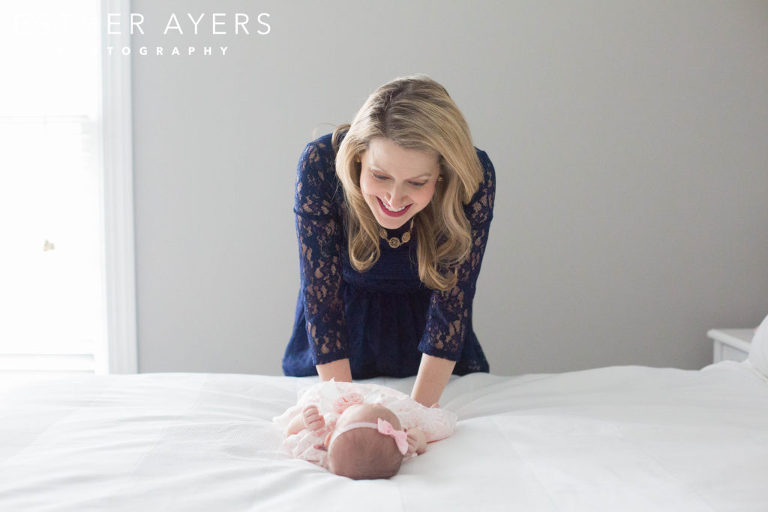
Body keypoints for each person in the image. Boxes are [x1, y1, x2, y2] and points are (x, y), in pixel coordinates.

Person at [283, 74, 496, 407]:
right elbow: (321, 301)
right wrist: (348, 416)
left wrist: (419, 414)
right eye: (379, 176)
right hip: (337, 339)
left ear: (441, 174)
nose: (395, 200)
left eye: (416, 182)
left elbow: (454, 303)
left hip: (431, 341)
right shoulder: (321, 164)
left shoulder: (471, 176)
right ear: (357, 157)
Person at [272, 380, 457, 480]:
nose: (374, 402)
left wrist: (303, 421)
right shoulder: (398, 447)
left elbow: (290, 432)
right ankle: (429, 410)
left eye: (350, 411)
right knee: (421, 418)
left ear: (329, 439)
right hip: (401, 419)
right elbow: (422, 435)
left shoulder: (316, 445)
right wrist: (417, 441)